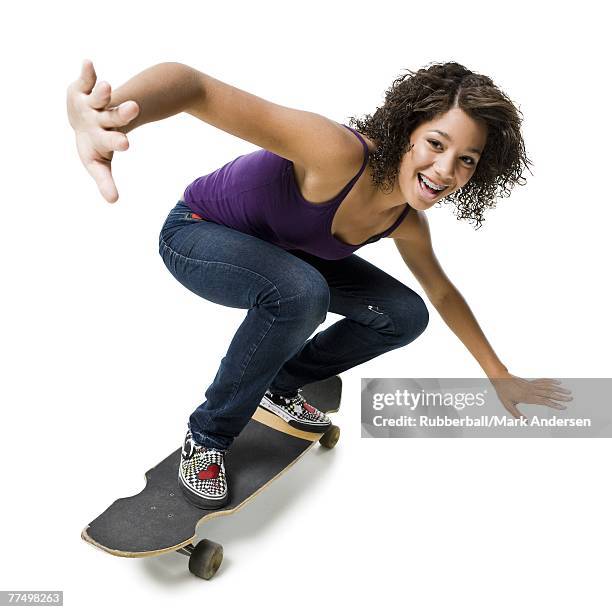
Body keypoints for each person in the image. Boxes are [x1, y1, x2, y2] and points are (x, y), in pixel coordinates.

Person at [66, 60, 572, 509]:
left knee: (404, 313)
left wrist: (497, 372)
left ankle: (280, 386)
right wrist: (108, 115)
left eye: (467, 159)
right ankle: (209, 436)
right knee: (303, 292)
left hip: (287, 260)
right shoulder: (336, 154)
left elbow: (440, 294)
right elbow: (193, 86)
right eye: (437, 144)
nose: (445, 169)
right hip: (197, 233)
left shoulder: (405, 220)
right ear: (407, 131)